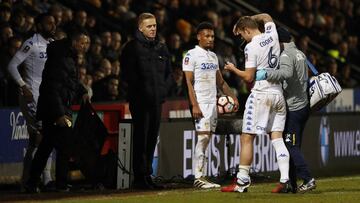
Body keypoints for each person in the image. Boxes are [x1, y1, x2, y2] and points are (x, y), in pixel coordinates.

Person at [221, 13, 291, 193]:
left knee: (247, 137)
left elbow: (249, 77)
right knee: (276, 137)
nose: (242, 39)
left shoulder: (251, 47)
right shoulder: (272, 34)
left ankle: (242, 181)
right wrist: (247, 18)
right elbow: (267, 16)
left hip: (261, 93)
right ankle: (285, 179)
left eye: (242, 34)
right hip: (278, 93)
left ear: (246, 30)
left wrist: (232, 68)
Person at [25, 31, 89, 193]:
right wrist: (59, 114)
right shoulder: (60, 59)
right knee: (65, 145)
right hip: (55, 110)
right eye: (83, 43)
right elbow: (52, 89)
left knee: (46, 146)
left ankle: (32, 183)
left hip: (53, 109)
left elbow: (70, 81)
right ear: (74, 42)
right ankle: (60, 184)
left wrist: (82, 91)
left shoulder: (66, 57)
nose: (85, 47)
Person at [255, 27, 316, 193]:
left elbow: (287, 73)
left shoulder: (286, 55)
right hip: (302, 105)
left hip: (294, 107)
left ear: (279, 42)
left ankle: (308, 179)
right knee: (293, 145)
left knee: (290, 145)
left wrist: (266, 74)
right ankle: (292, 184)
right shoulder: (299, 53)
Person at [183, 22, 239, 189]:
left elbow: (220, 82)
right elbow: (188, 82)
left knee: (206, 140)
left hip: (212, 104)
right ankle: (198, 177)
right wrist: (194, 105)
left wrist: (232, 97)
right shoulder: (191, 55)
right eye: (206, 36)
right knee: (203, 137)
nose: (210, 39)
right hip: (200, 103)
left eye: (212, 36)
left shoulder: (213, 56)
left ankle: (202, 176)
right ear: (198, 36)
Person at [120, 13, 173, 190]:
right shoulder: (131, 48)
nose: (153, 29)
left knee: (151, 139)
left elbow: (168, 74)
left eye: (155, 25)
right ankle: (139, 177)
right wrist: (140, 93)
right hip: (141, 101)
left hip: (157, 102)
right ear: (140, 28)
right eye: (149, 26)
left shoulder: (161, 47)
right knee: (141, 139)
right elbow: (128, 76)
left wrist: (163, 92)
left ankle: (147, 175)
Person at [6, 13, 56, 190]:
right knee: (42, 136)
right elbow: (12, 66)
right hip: (32, 96)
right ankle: (44, 179)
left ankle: (28, 181)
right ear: (39, 26)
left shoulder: (51, 44)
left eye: (54, 23)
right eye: (49, 23)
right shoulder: (31, 43)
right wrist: (23, 86)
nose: (53, 26)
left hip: (46, 96)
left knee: (38, 140)